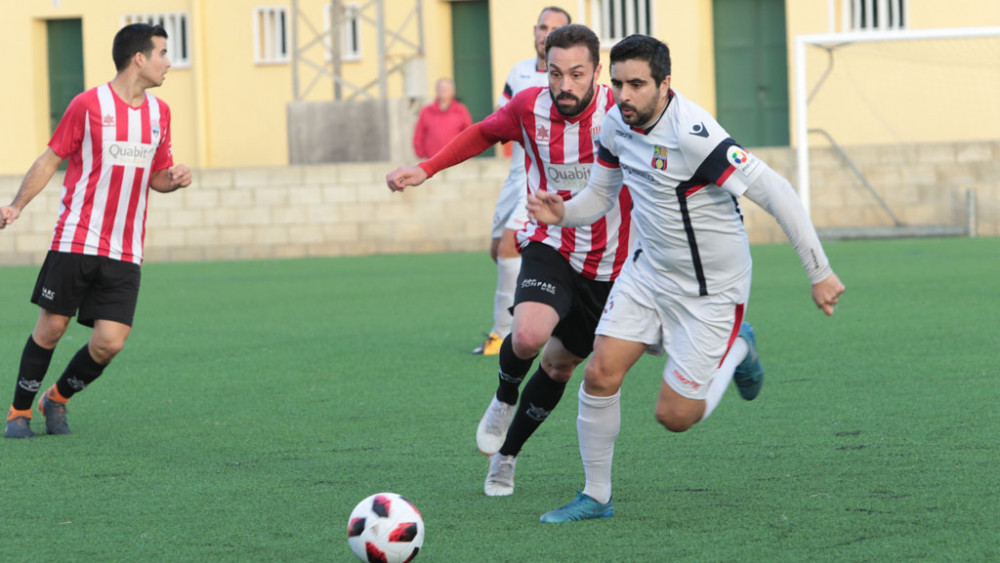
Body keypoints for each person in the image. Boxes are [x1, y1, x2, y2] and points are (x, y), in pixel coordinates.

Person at [529, 35, 846, 522]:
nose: (624, 95)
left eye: (637, 84)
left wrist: (819, 272)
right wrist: (563, 213)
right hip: (647, 273)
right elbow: (600, 196)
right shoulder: (614, 125)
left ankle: (739, 346)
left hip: (710, 291)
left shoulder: (694, 133)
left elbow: (776, 191)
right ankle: (595, 496)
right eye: (617, 84)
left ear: (665, 84)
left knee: (674, 418)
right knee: (598, 373)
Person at [387, 24, 631, 497]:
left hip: (609, 265)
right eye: (555, 73)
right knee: (528, 335)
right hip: (549, 242)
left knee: (560, 367)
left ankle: (507, 456)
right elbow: (481, 132)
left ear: (597, 73)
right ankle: (502, 397)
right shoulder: (528, 107)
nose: (564, 85)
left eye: (577, 74)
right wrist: (426, 167)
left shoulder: (621, 112)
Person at [2, 23, 191, 439]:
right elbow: (51, 159)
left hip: (126, 248)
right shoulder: (88, 105)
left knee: (110, 343)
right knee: (52, 327)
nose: (168, 62)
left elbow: (156, 176)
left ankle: (57, 398)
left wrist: (172, 180)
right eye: (161, 53)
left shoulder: (161, 114)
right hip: (77, 237)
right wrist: (16, 204)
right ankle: (18, 412)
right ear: (138, 58)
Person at [473, 5, 571, 356]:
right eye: (542, 27)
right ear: (534, 31)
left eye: (554, 29)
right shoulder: (518, 73)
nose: (546, 34)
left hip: (540, 182)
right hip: (514, 178)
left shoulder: (565, 79)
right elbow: (499, 122)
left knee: (509, 247)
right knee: (497, 252)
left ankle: (503, 335)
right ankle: (545, 314)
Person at [412, 78, 473, 159]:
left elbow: (469, 134)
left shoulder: (461, 110)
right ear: (436, 91)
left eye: (446, 89)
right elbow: (418, 134)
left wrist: (465, 153)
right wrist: (421, 154)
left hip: (455, 160)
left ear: (453, 91)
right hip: (431, 160)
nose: (443, 91)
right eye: (441, 88)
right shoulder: (427, 111)